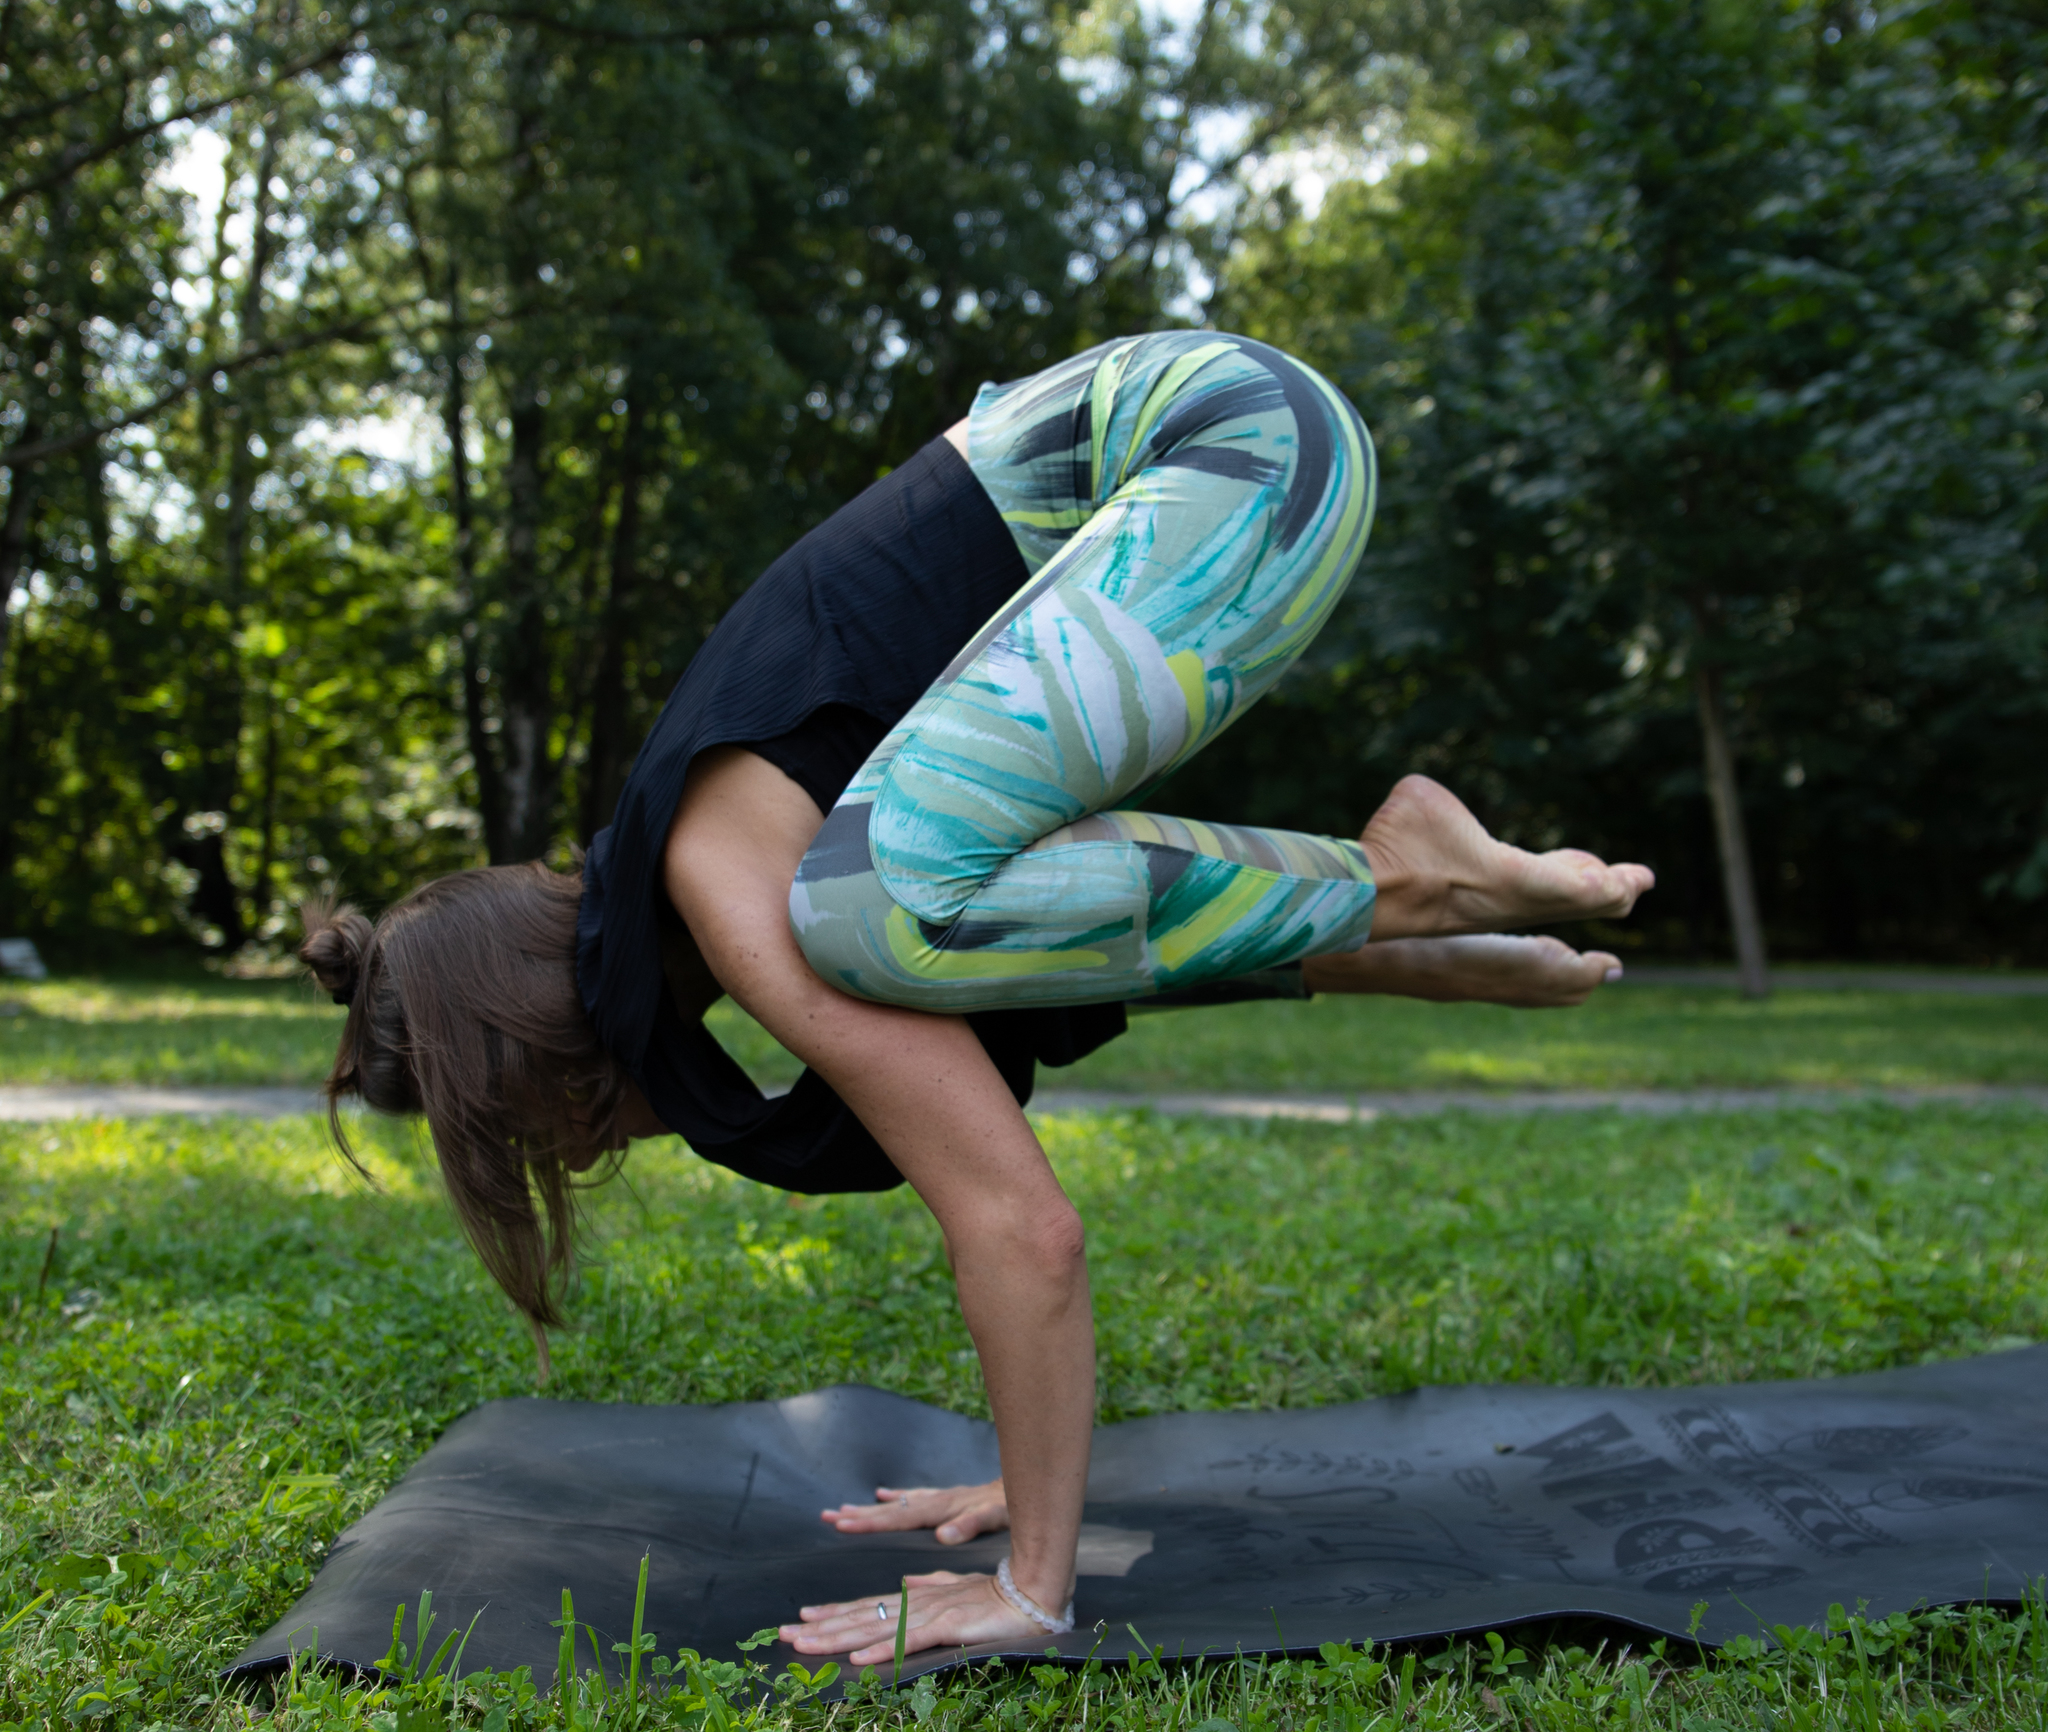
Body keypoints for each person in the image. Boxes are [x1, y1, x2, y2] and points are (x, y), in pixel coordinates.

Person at [300, 331, 1652, 1668]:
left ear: (536, 1056)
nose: (577, 1156)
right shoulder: (719, 855)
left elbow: (1020, 1226)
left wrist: (1033, 1583)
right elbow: (1042, 966)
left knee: (877, 914)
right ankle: (1392, 916)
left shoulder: (734, 886)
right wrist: (1025, 1471)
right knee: (927, 921)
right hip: (1244, 456)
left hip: (1235, 448)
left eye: (534, 1134)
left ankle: (1400, 891)